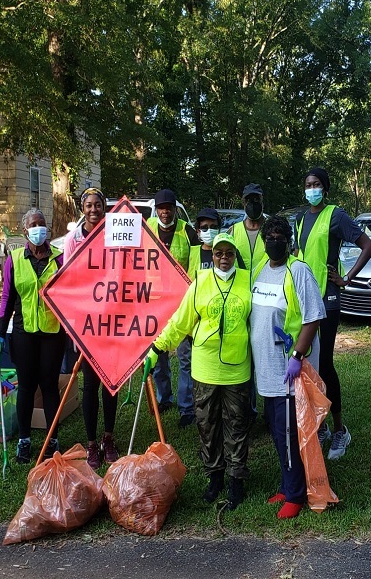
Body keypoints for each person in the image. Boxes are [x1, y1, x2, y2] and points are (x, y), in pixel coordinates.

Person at [145, 233, 252, 509]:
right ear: (212, 255)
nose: (224, 258)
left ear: (234, 255)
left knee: (237, 427)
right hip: (204, 369)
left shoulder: (247, 280)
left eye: (229, 253)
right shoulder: (200, 282)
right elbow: (180, 322)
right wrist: (157, 348)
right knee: (207, 426)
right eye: (219, 254)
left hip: (237, 370)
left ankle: (236, 480)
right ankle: (214, 477)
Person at [294, 167, 371, 460]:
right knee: (308, 365)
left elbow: (368, 245)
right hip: (304, 300)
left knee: (325, 364)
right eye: (307, 184)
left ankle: (340, 430)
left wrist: (347, 278)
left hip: (327, 300)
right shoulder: (302, 218)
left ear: (325, 189)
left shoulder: (336, 216)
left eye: (316, 184)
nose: (311, 188)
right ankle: (322, 425)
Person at [249, 215, 325, 519]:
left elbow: (313, 316)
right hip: (266, 370)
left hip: (289, 370)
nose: (274, 241)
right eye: (270, 236)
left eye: (280, 236)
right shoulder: (260, 271)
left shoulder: (299, 271)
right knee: (278, 431)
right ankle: (286, 483)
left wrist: (297, 355)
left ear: (289, 241)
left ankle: (295, 494)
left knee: (289, 433)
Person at [0, 208, 67, 464]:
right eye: (33, 225)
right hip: (24, 331)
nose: (39, 229)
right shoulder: (15, 258)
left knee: (49, 385)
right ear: (25, 231)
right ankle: (24, 440)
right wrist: (1, 331)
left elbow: (69, 295)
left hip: (52, 332)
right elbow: (7, 298)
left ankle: (52, 439)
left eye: (42, 224)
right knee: (26, 386)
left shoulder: (59, 258)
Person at [63, 188, 120, 469]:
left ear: (105, 207)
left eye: (98, 204)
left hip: (113, 322)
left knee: (111, 383)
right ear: (81, 208)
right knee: (90, 386)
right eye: (89, 205)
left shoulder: (116, 234)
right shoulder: (73, 240)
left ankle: (108, 437)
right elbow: (68, 282)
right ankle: (91, 444)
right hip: (87, 323)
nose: (94, 209)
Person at [146, 188, 199, 412]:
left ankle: (186, 405)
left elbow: (195, 267)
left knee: (186, 357)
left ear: (175, 209)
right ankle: (163, 398)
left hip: (182, 304)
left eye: (168, 208)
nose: (165, 212)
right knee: (159, 354)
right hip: (154, 304)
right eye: (161, 208)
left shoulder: (187, 231)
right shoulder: (147, 228)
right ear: (156, 209)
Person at [169, 207, 223, 429]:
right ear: (198, 232)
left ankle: (216, 407)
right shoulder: (191, 253)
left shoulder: (225, 252)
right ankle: (186, 409)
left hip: (215, 322)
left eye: (212, 227)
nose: (208, 231)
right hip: (192, 319)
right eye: (204, 228)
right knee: (185, 363)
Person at [227, 183, 268, 279]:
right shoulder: (233, 231)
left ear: (262, 202)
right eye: (248, 200)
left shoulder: (272, 229)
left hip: (266, 286)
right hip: (239, 286)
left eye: (256, 199)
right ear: (243, 203)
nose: (253, 203)